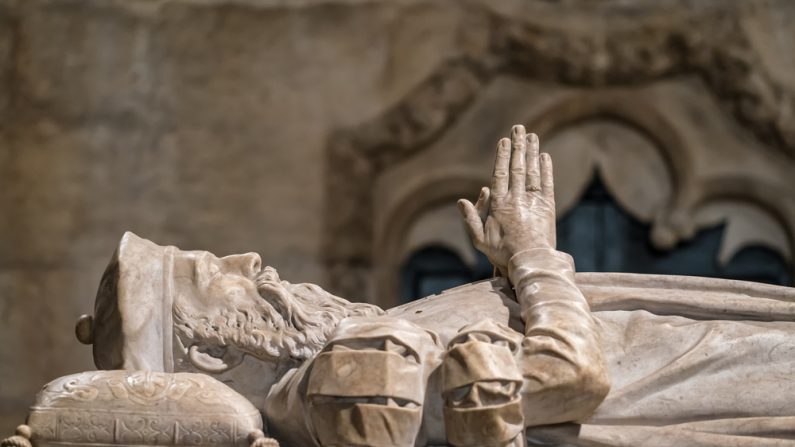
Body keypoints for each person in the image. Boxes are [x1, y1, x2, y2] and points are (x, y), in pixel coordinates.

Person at [78, 125, 795, 447]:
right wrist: (533, 252)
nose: (250, 260)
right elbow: (567, 376)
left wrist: (503, 278)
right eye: (217, 276)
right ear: (205, 351)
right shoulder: (342, 372)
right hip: (694, 388)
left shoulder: (347, 350)